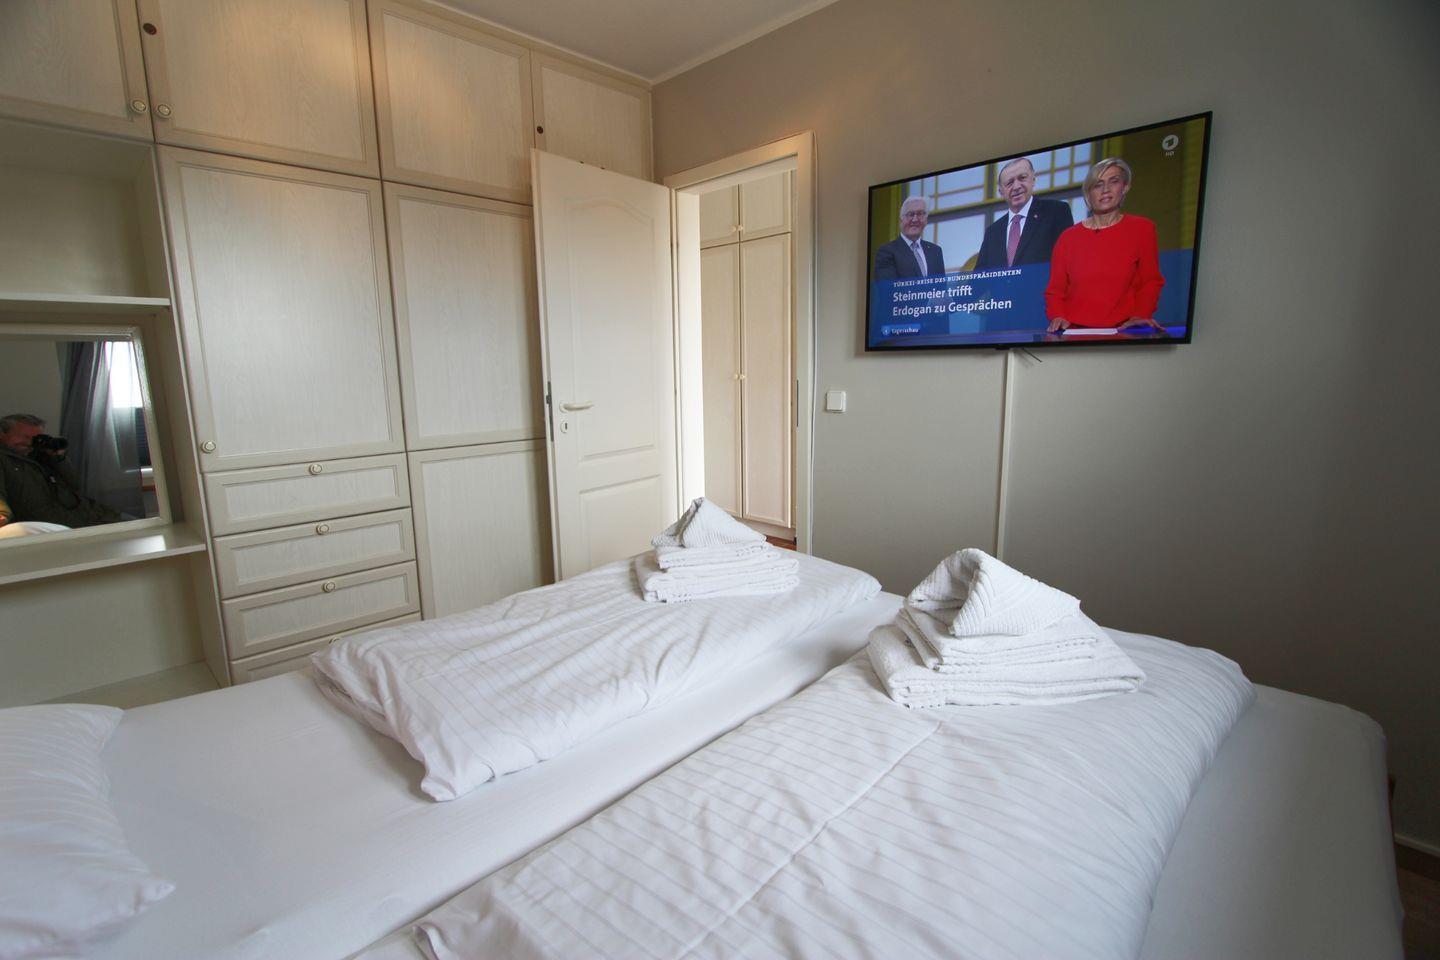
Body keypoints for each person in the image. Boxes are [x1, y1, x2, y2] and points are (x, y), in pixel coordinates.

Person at [1044, 158, 1165, 332]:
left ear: (1125, 187)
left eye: (1113, 181)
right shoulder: (1068, 238)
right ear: (1089, 193)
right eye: (1098, 185)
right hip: (1076, 332)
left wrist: (1141, 315)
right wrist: (1058, 316)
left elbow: (1151, 281)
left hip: (1124, 330)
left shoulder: (1142, 229)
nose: (1105, 190)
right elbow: (1055, 290)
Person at [0, 413, 121, 529]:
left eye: (35, 439)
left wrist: (59, 459)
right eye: (25, 437)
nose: (29, 443)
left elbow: (74, 484)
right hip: (57, 524)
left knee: (128, 522)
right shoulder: (4, 460)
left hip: (88, 513)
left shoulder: (39, 456)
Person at [975, 158, 1074, 270]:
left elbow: (1069, 262)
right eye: (1009, 183)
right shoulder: (992, 232)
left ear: (1033, 180)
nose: (1016, 186)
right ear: (1001, 192)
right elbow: (979, 276)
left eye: (1022, 178)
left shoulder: (1056, 211)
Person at [873, 196, 946, 279]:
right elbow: (887, 285)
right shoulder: (887, 251)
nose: (915, 219)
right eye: (910, 214)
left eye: (920, 214)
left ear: (926, 220)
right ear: (901, 220)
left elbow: (941, 285)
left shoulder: (935, 251)